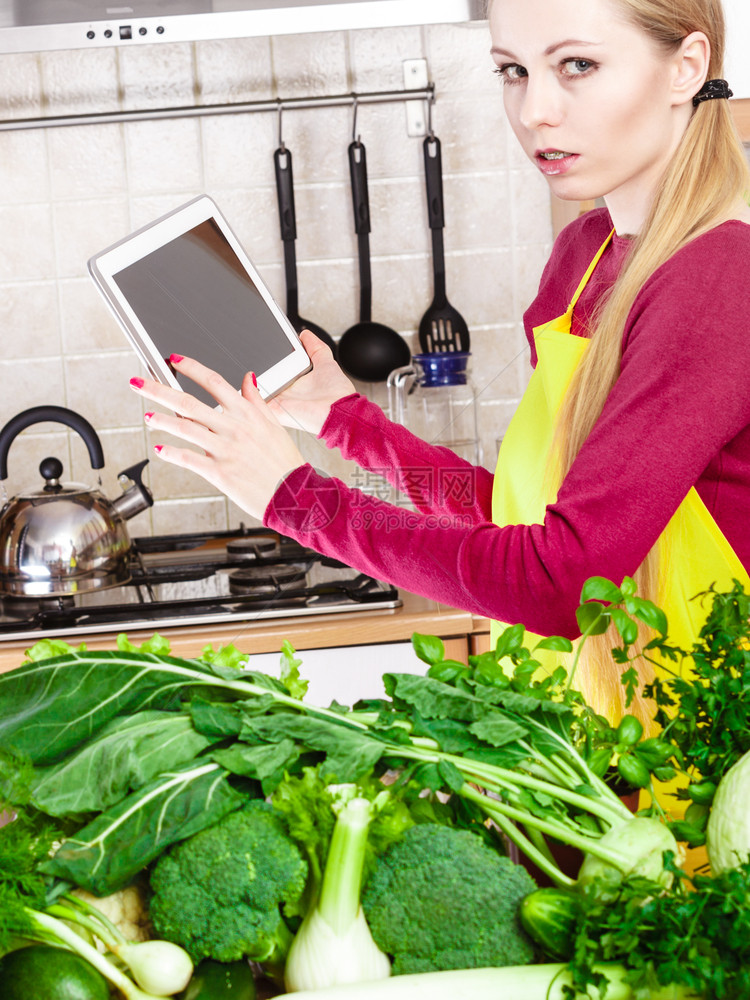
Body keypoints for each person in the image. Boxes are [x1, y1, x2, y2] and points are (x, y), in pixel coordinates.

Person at [129, 0, 750, 722]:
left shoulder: (718, 280)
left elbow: (562, 581)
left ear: (687, 67)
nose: (535, 112)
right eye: (513, 72)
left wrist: (297, 499)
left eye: (577, 65)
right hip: (596, 735)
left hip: (696, 766)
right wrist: (346, 421)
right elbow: (516, 515)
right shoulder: (584, 257)